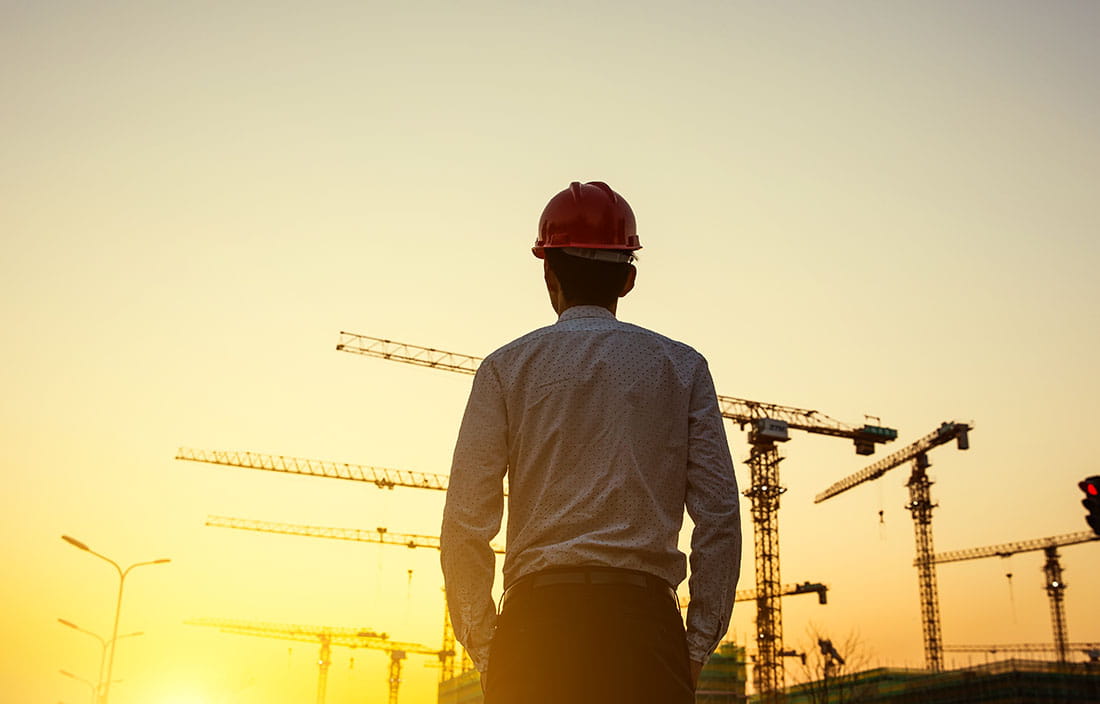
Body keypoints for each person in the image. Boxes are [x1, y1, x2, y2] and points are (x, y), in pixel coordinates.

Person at [440, 181, 741, 703]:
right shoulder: (683, 368)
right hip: (645, 632)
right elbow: (719, 517)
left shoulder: (505, 369)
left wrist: (490, 652)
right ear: (628, 279)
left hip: (535, 630)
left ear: (547, 272)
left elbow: (466, 522)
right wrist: (694, 649)